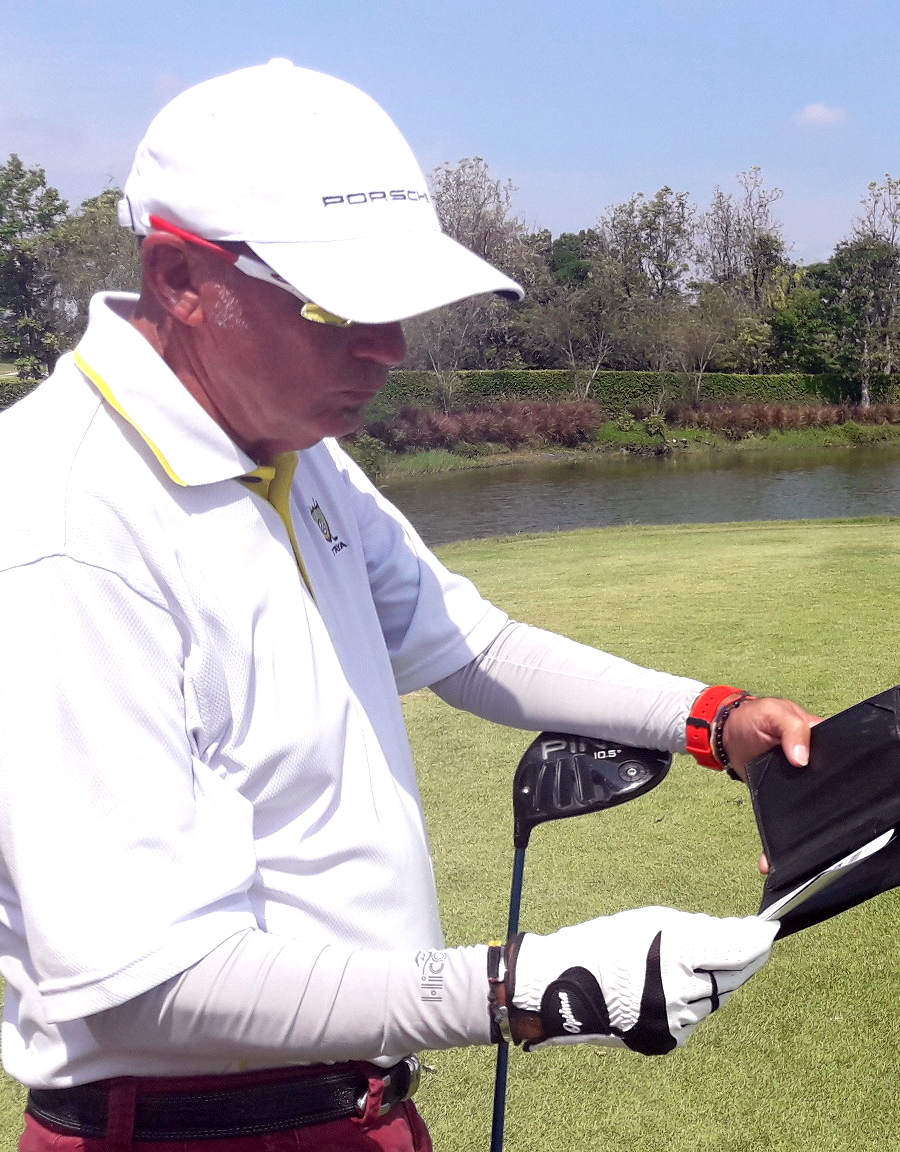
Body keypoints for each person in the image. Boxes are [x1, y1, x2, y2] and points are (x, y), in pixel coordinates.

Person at [0, 60, 820, 1151]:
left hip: (364, 1107)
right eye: (338, 305)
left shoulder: (293, 449)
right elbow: (145, 984)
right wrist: (524, 987)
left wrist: (712, 717)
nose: (388, 347)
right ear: (181, 276)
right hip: (186, 1131)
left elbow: (469, 644)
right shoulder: (64, 527)